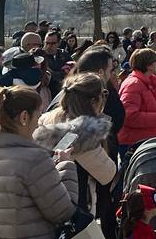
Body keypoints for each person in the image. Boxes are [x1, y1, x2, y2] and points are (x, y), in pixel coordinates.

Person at [0, 86, 78, 239]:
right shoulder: (34, 159)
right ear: (24, 117)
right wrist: (66, 166)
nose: (39, 123)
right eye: (38, 116)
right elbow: (63, 211)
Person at [35, 72, 115, 214]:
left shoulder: (48, 117)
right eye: (103, 94)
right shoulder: (83, 133)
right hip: (72, 202)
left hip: (44, 194)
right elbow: (108, 174)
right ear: (93, 101)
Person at [118, 48, 156, 158]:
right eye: (155, 61)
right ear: (148, 65)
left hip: (144, 142)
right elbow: (129, 116)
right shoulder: (134, 85)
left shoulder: (147, 82)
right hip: (134, 144)